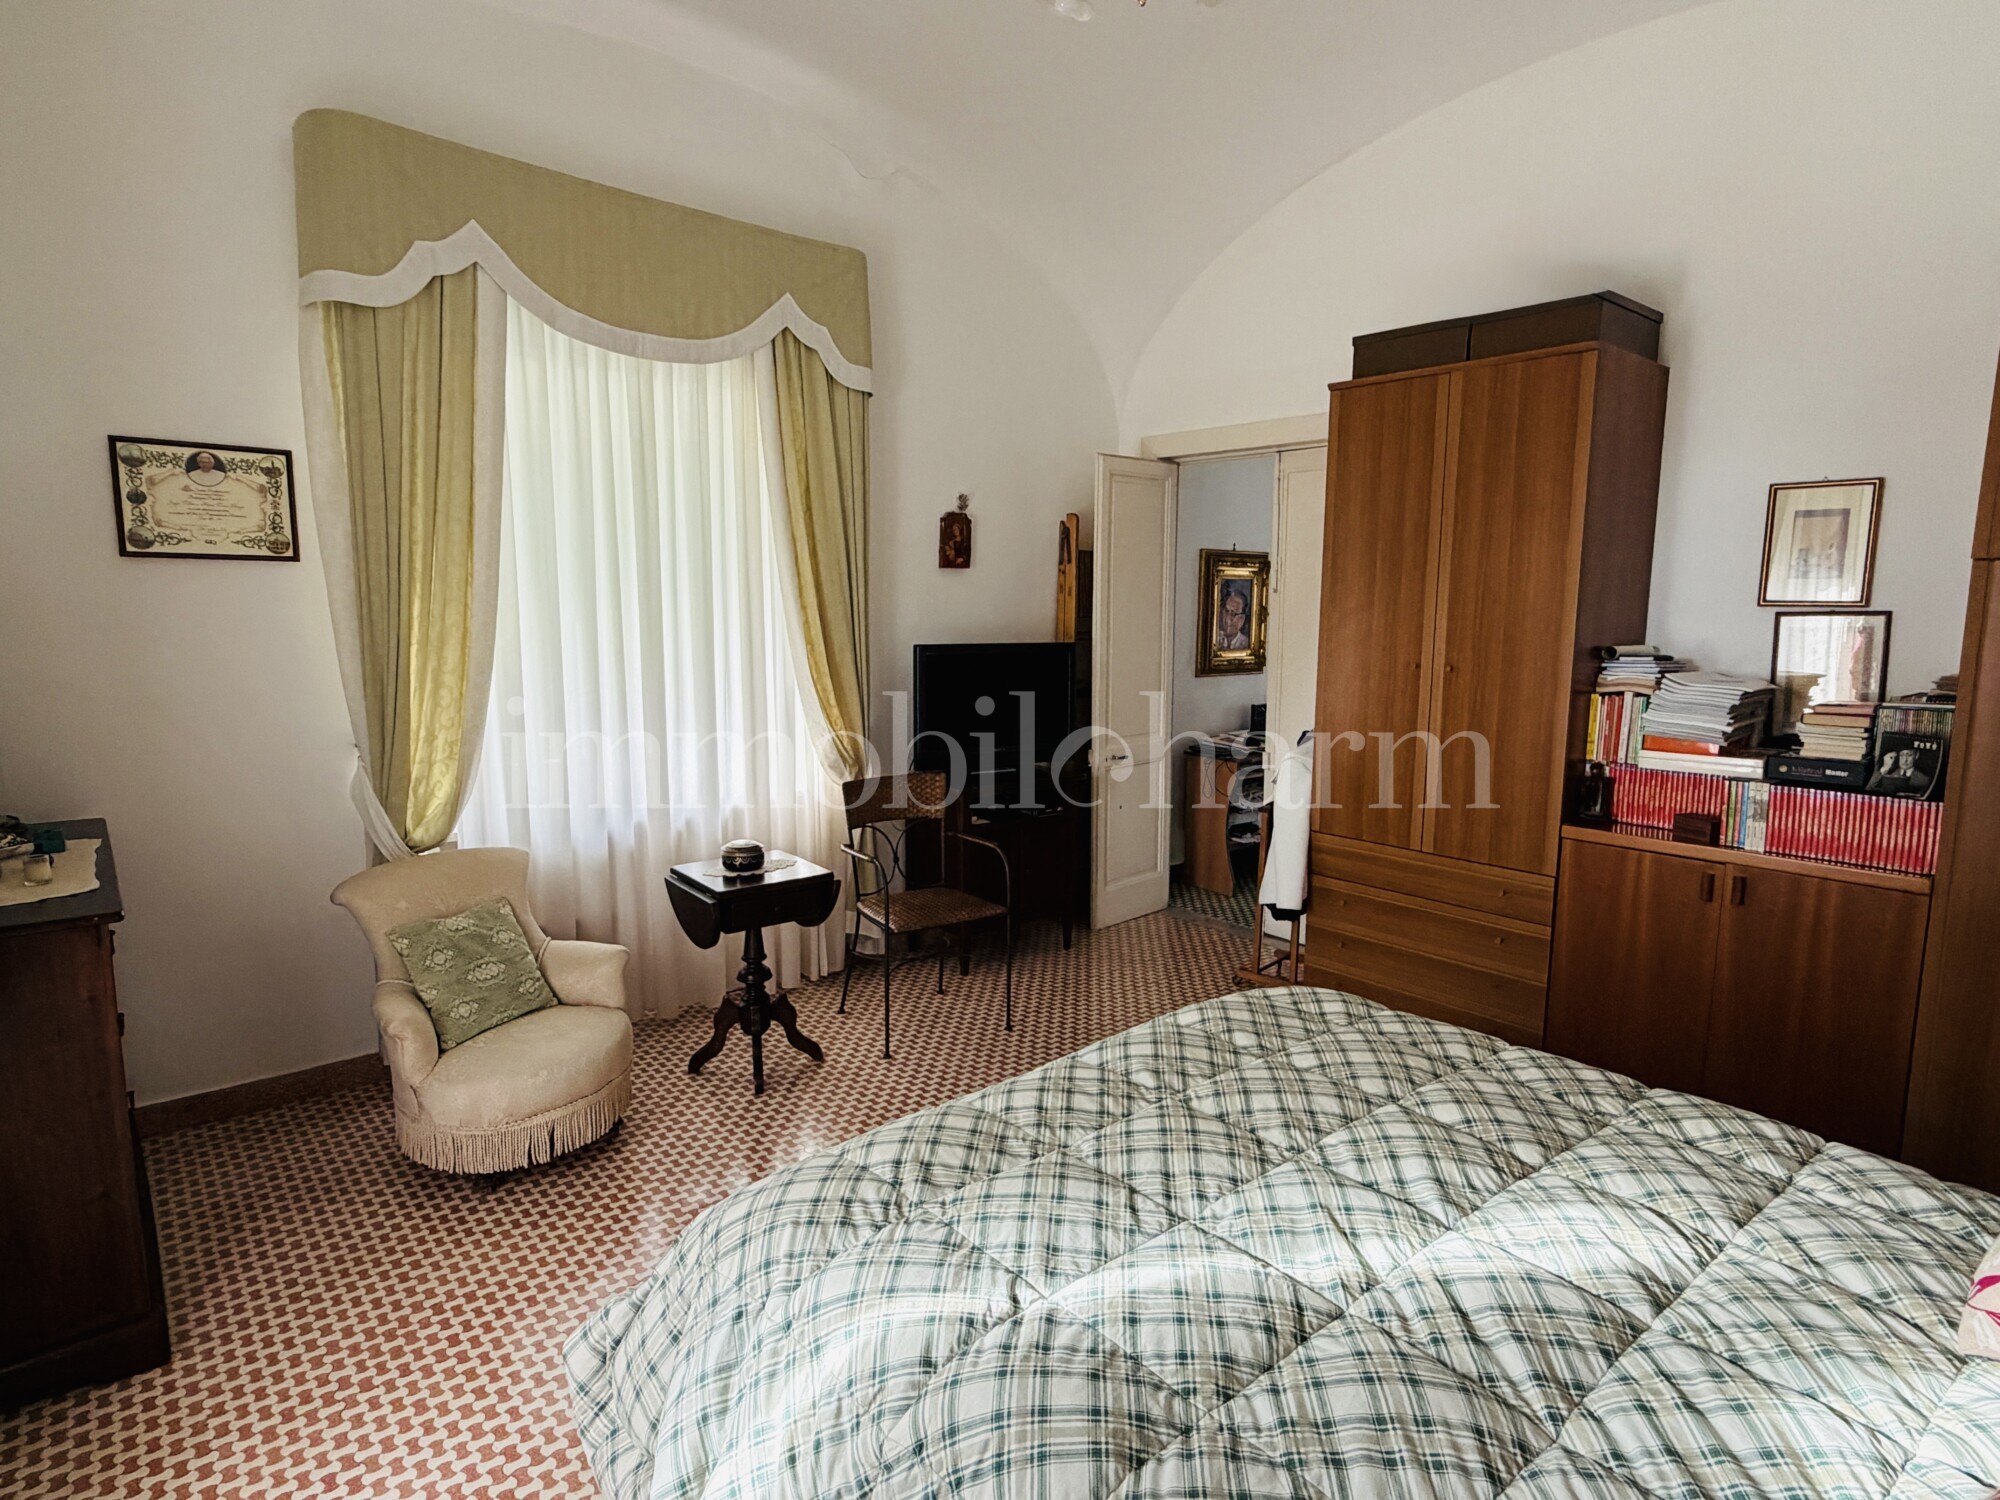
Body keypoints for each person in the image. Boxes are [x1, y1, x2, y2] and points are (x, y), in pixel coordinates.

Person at [1216, 583, 1252, 652]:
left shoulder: (1246, 644)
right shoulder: (1216, 638)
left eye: (1233, 614)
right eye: (1226, 611)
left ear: (1242, 619)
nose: (1227, 619)